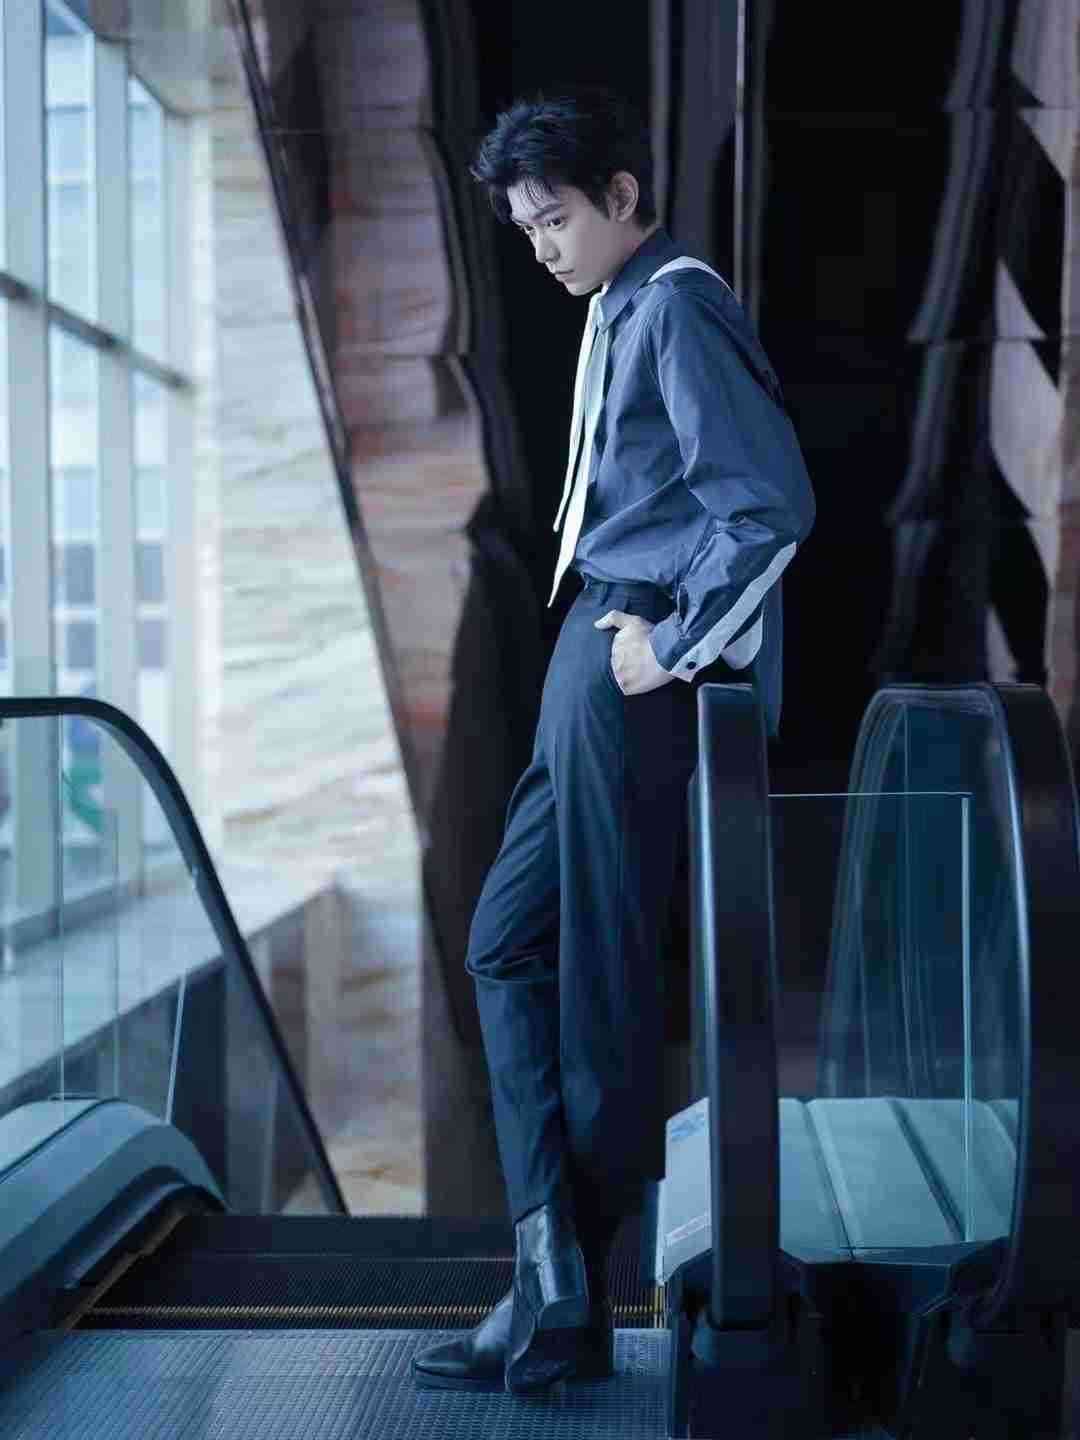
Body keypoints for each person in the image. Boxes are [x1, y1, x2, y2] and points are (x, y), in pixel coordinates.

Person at [413, 83, 815, 1396]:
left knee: (594, 982)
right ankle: (553, 1274)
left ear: (624, 196)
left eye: (555, 220)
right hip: (587, 662)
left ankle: (570, 1296)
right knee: (506, 944)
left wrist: (675, 642)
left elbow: (767, 508)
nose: (542, 248)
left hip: (630, 664)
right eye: (525, 229)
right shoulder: (623, 307)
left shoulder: (678, 304)